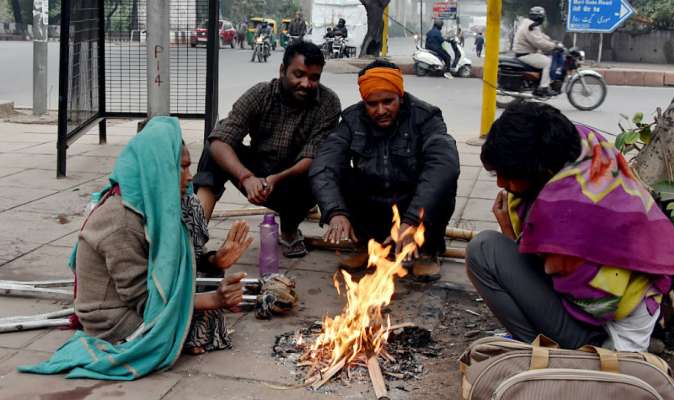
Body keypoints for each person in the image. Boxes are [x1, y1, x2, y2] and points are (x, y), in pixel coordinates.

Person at [19, 117, 254, 380]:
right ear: (156, 169)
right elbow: (144, 299)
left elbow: (170, 264)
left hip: (134, 298)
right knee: (202, 323)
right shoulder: (121, 221)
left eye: (189, 168)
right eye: (181, 168)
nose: (189, 179)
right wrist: (213, 300)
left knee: (205, 304)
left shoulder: (157, 203)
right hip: (110, 318)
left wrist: (215, 261)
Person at [465, 102, 674, 351]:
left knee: (484, 250)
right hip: (633, 306)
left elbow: (581, 301)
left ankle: (538, 351)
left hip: (604, 336)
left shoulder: (562, 216)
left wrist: (508, 230)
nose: (500, 183)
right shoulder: (585, 143)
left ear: (541, 171)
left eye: (508, 174)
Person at [310, 60, 460, 282]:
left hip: (414, 205)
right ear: (364, 102)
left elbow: (444, 163)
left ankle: (427, 251)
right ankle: (365, 244)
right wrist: (335, 211)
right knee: (344, 175)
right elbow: (324, 164)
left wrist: (411, 221)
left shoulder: (426, 116)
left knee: (442, 180)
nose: (381, 110)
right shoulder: (352, 120)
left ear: (400, 95)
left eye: (388, 101)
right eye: (372, 104)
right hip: (375, 205)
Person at [194, 41, 341, 258]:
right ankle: (195, 236)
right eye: (298, 74)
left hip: (296, 177)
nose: (306, 83)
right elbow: (220, 140)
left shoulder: (328, 102)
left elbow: (312, 156)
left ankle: (290, 231)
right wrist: (246, 178)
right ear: (282, 70)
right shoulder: (260, 94)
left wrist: (277, 178)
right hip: (257, 172)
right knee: (212, 149)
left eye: (314, 78)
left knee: (320, 168)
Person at [513, 6, 558, 97]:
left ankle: (540, 83)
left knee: (545, 58)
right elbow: (539, 42)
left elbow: (540, 36)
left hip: (527, 52)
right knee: (548, 62)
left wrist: (552, 41)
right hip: (525, 54)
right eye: (542, 16)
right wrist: (553, 46)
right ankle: (543, 88)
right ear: (539, 17)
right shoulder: (530, 27)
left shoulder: (530, 24)